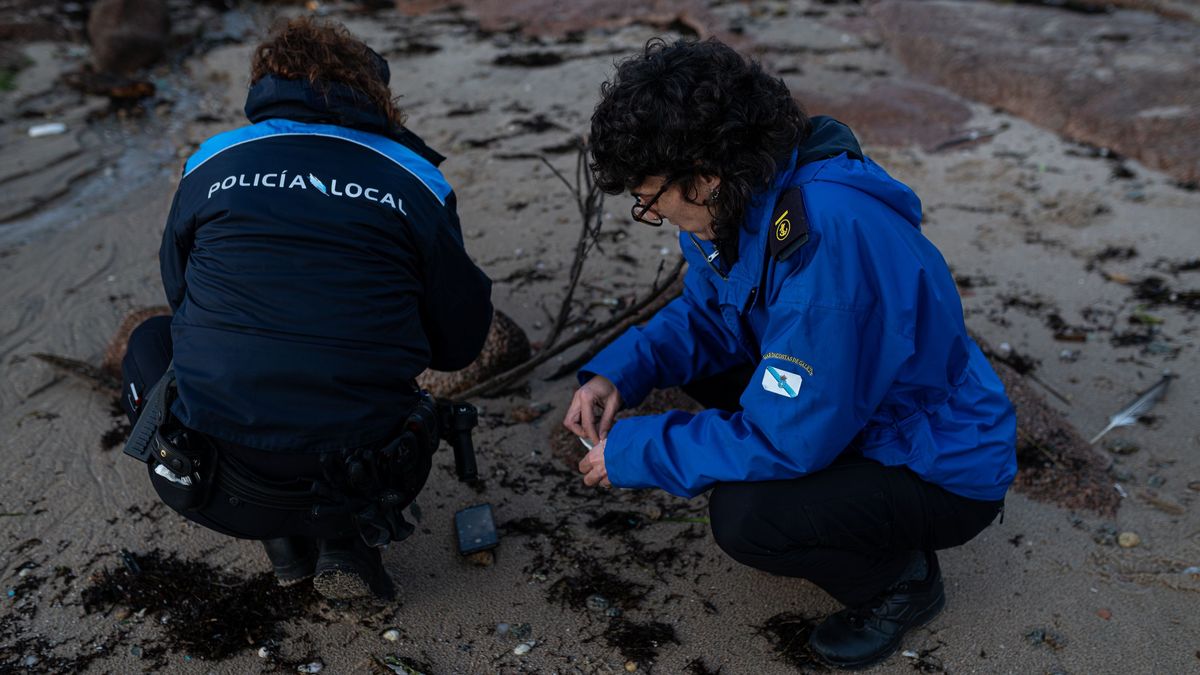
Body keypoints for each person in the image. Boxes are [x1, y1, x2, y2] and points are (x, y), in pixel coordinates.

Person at [563, 38, 1016, 670]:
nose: (653, 213)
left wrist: (641, 450)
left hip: (938, 464)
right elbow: (709, 313)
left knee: (748, 516)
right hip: (852, 402)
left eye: (650, 199)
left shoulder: (824, 251)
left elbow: (787, 443)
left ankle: (899, 584)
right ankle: (856, 521)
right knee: (716, 368)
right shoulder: (746, 198)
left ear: (703, 176)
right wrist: (621, 371)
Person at [120, 17, 493, 601]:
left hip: (216, 483)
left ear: (265, 86)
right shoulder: (415, 177)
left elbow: (180, 294)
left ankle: (282, 541)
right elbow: (459, 346)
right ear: (376, 94)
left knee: (151, 342)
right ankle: (344, 540)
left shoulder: (213, 159)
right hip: (374, 473)